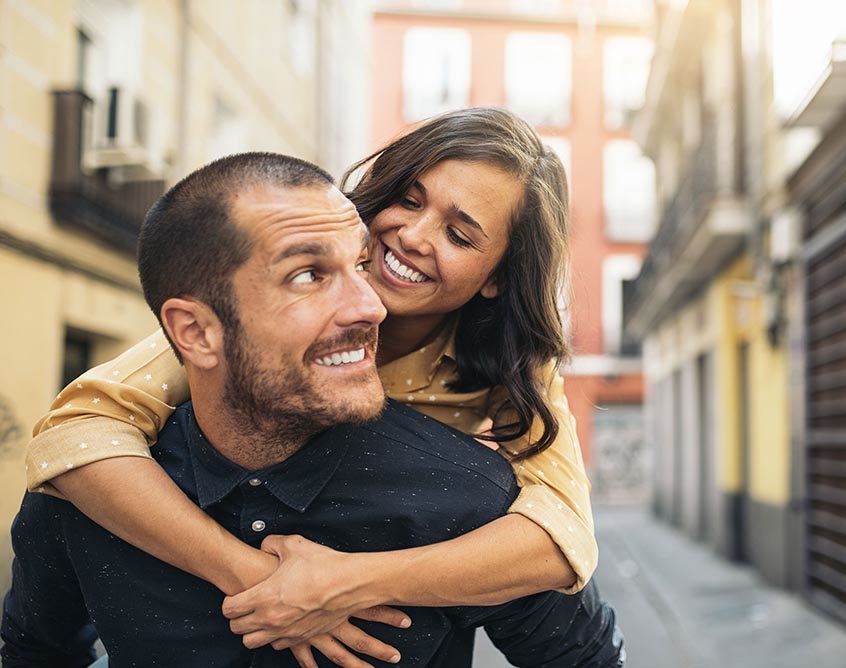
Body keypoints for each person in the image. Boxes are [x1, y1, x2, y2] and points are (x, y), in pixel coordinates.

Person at [1, 152, 624, 667]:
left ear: (497, 277)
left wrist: (347, 583)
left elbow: (562, 542)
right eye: (408, 200)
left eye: (460, 235)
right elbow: (76, 433)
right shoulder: (105, 480)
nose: (409, 237)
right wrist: (255, 578)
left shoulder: (476, 470)